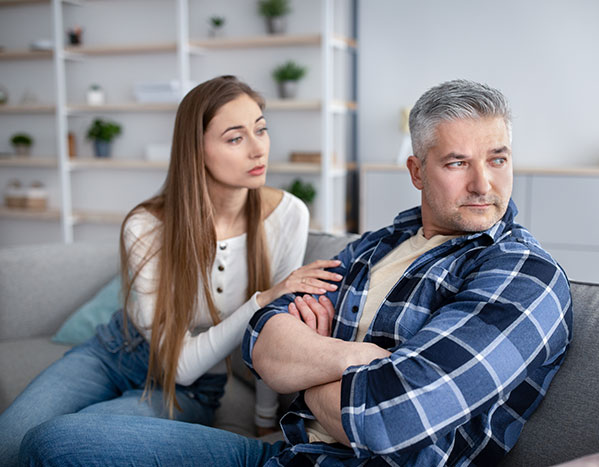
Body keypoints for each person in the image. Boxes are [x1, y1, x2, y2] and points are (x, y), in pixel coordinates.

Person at [19, 79, 573, 467]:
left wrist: (304, 373)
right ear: (416, 171)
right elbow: (266, 337)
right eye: (457, 163)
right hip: (275, 449)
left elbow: (391, 417)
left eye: (497, 158)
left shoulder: (520, 272)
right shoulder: (377, 245)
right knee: (52, 442)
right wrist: (365, 359)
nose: (484, 184)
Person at [0, 75, 342, 467]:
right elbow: (184, 356)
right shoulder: (146, 225)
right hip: (113, 353)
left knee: (57, 444)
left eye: (260, 130)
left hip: (194, 388)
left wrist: (264, 419)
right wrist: (261, 300)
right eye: (235, 138)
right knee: (9, 443)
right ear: (195, 149)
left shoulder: (288, 215)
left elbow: (273, 329)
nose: (257, 149)